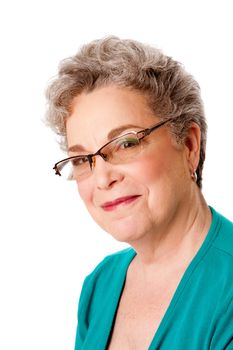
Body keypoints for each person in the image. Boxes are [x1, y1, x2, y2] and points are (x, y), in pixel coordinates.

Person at [45, 36, 233, 349]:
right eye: (81, 159)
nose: (103, 178)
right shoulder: (100, 285)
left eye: (126, 144)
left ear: (189, 145)